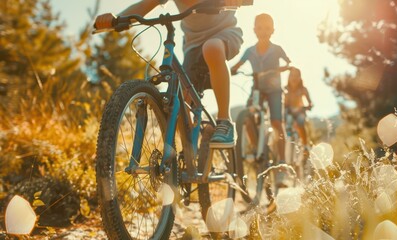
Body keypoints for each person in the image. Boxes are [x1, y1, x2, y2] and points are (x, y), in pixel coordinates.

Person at [94, 0, 245, 148]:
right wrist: (115, 19)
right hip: (193, 46)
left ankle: (225, 121)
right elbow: (144, 5)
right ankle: (192, 149)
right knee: (180, 103)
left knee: (212, 48)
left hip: (225, 33)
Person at [230, 13, 291, 187]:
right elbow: (238, 64)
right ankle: (259, 151)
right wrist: (232, 69)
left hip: (274, 90)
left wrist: (285, 66)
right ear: (254, 30)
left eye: (267, 28)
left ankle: (282, 166)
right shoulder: (250, 51)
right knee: (247, 118)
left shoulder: (277, 49)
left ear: (273, 30)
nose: (263, 31)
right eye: (260, 27)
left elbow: (288, 61)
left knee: (277, 122)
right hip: (257, 89)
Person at [284, 67, 313, 155]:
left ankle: (305, 145)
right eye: (292, 75)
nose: (294, 78)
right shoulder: (285, 89)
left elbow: (310, 102)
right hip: (288, 112)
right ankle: (283, 143)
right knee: (286, 122)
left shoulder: (303, 89)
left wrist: (308, 106)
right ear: (288, 77)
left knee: (300, 122)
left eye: (296, 76)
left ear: (300, 78)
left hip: (299, 111)